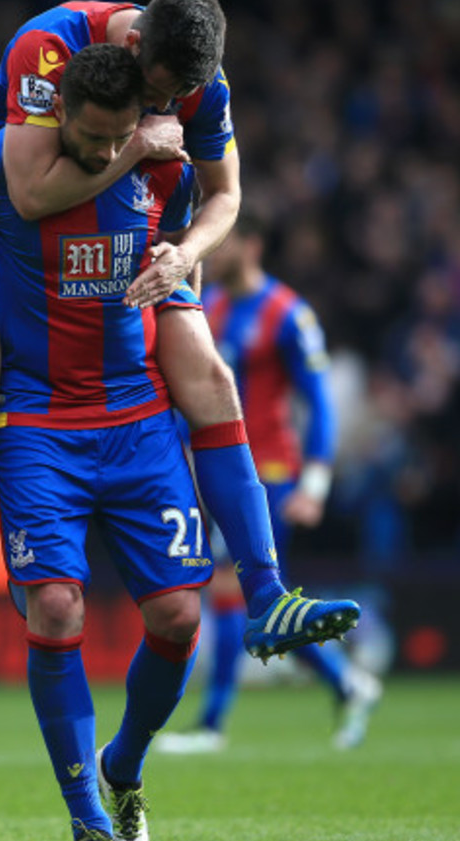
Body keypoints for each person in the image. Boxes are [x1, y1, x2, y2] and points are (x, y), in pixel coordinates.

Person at [0, 47, 360, 841]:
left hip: (139, 422)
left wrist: (180, 265)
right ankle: (84, 822)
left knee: (178, 616)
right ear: (56, 114)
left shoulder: (159, 163)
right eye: (93, 138)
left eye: (120, 139)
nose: (107, 155)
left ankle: (125, 765)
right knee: (57, 611)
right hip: (38, 427)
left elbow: (209, 210)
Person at [0, 0, 360, 674]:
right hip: (6, 229)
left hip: (127, 227)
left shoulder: (199, 80)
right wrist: (138, 142)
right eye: (158, 92)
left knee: (213, 379)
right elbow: (29, 194)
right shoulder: (46, 49)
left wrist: (188, 251)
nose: (167, 106)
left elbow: (226, 194)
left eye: (180, 96)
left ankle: (268, 594)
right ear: (133, 46)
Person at [156, 215, 382, 754]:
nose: (214, 244)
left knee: (234, 589)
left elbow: (319, 402)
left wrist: (316, 484)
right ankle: (348, 681)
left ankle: (212, 725)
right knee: (260, 605)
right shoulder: (211, 306)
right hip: (219, 468)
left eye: (226, 237)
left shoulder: (288, 314)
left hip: (272, 473)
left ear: (252, 244)